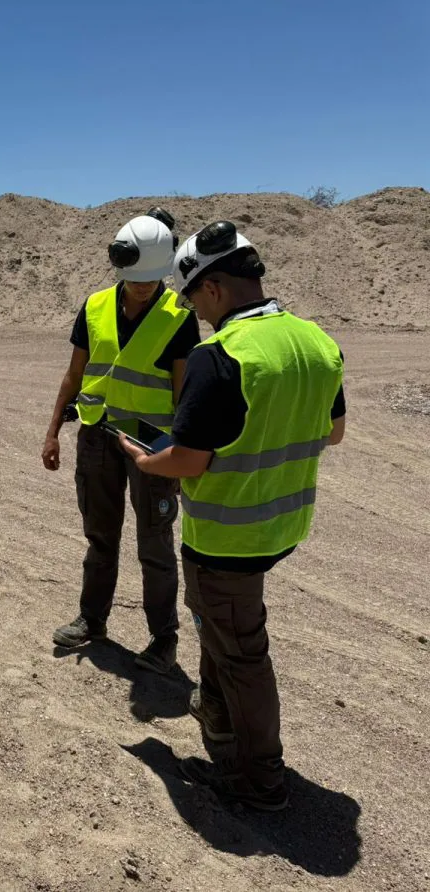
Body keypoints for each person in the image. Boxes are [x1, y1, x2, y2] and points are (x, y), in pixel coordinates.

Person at [120, 220, 346, 811]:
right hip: (281, 523)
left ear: (213, 287)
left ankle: (259, 778)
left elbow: (188, 457)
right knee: (226, 629)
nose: (194, 312)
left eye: (192, 299)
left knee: (244, 653)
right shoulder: (317, 342)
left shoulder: (220, 356)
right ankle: (217, 716)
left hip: (227, 534)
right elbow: (335, 431)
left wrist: (144, 461)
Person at [43, 209, 200, 673]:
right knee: (100, 538)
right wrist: (52, 431)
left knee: (154, 544)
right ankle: (92, 620)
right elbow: (74, 374)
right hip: (96, 436)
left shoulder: (180, 317)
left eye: (152, 280)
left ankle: (163, 640)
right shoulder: (93, 306)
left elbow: (183, 394)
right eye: (137, 280)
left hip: (152, 446)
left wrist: (179, 460)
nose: (144, 287)